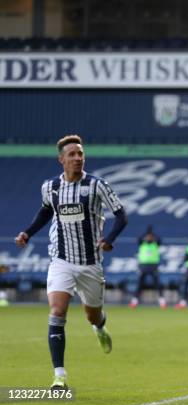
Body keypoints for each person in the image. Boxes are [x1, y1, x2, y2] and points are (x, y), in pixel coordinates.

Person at [14, 135, 128, 389]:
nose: (78, 158)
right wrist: (27, 233)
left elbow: (121, 216)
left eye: (80, 153)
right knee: (57, 312)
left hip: (90, 263)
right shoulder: (50, 187)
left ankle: (99, 327)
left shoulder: (97, 186)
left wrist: (109, 239)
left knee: (92, 315)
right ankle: (59, 376)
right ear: (61, 160)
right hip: (61, 260)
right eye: (72, 154)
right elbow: (46, 210)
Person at [130, 226, 166, 309]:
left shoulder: (155, 244)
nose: (149, 238)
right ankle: (134, 301)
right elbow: (138, 239)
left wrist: (152, 233)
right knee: (139, 284)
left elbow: (160, 240)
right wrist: (146, 233)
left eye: (151, 237)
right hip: (143, 266)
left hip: (153, 266)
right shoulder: (143, 244)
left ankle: (162, 301)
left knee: (157, 284)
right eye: (148, 236)